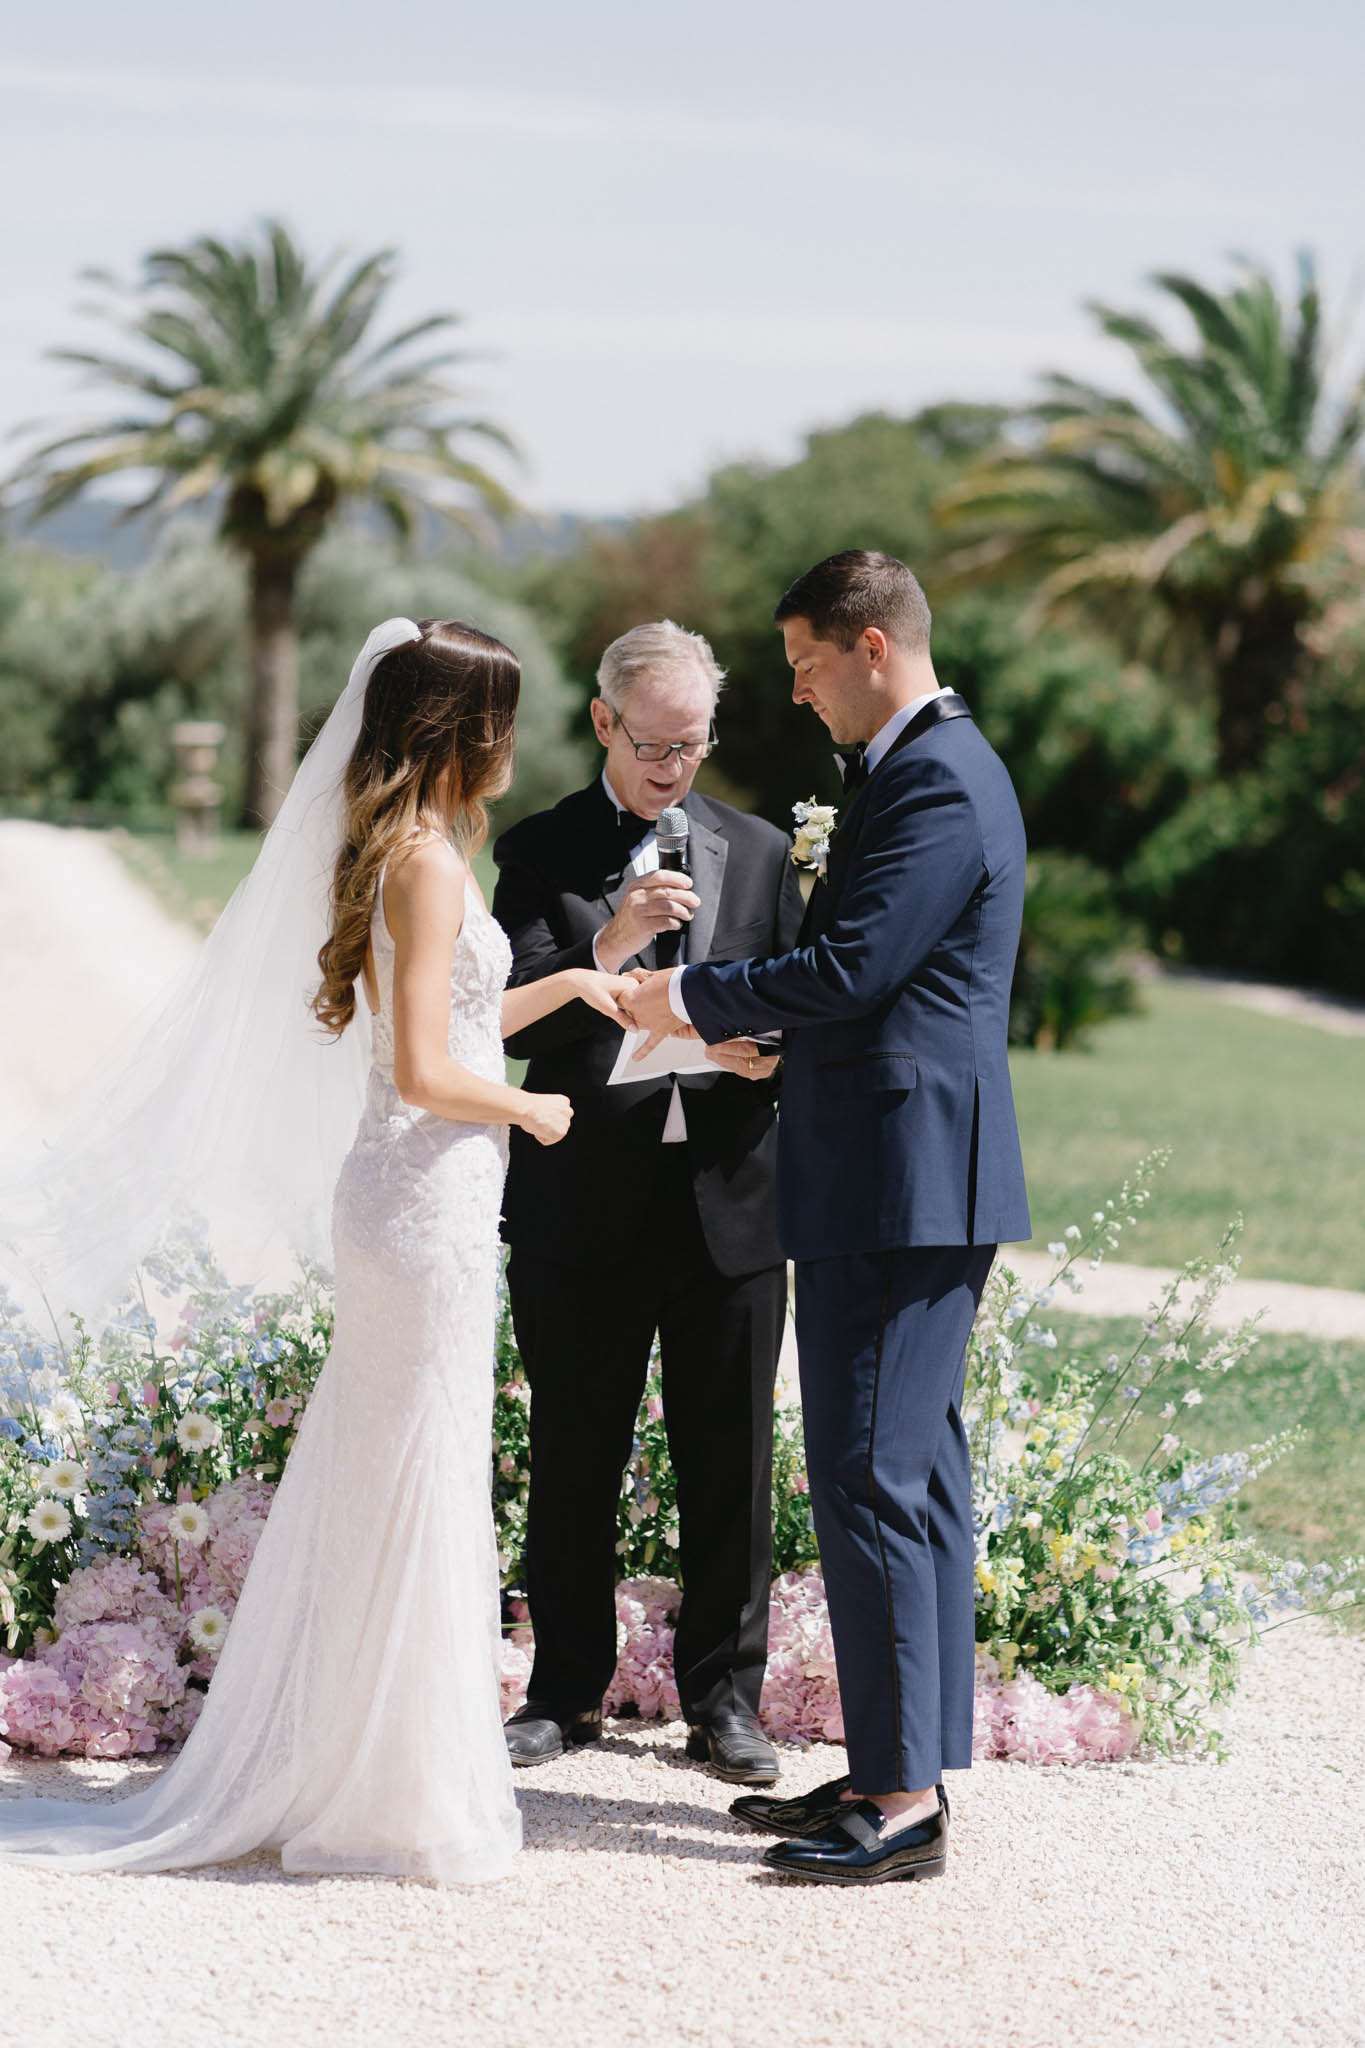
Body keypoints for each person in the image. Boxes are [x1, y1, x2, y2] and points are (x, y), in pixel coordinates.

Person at [0, 618, 630, 1884]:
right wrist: (532, 1106)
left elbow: (453, 1017)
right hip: (421, 1202)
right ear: (461, 729)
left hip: (425, 1197)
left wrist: (571, 987)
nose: (516, 742)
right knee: (412, 1471)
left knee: (408, 1464)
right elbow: (421, 1068)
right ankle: (384, 1786)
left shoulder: (417, 850)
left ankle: (379, 1760)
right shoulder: (429, 864)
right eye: (500, 718)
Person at [621, 553, 1031, 1885]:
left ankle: (903, 1805)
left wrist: (691, 1001)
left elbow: (855, 965)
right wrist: (777, 1045)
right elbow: (878, 985)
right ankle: (892, 1761)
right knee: (905, 1474)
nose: (795, 692)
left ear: (869, 645)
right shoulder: (913, 770)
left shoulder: (936, 776)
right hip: (890, 1162)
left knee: (872, 1472)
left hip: (901, 1179)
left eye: (802, 662)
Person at [491, 621, 805, 1784]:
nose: (680, 765)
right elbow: (511, 1011)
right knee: (577, 1448)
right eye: (659, 742)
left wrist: (770, 1049)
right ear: (603, 722)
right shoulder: (540, 848)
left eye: (697, 742)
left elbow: (796, 993)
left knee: (731, 1456)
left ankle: (725, 1702)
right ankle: (566, 1688)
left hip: (730, 1194)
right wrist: (614, 937)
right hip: (585, 1194)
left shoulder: (764, 849)